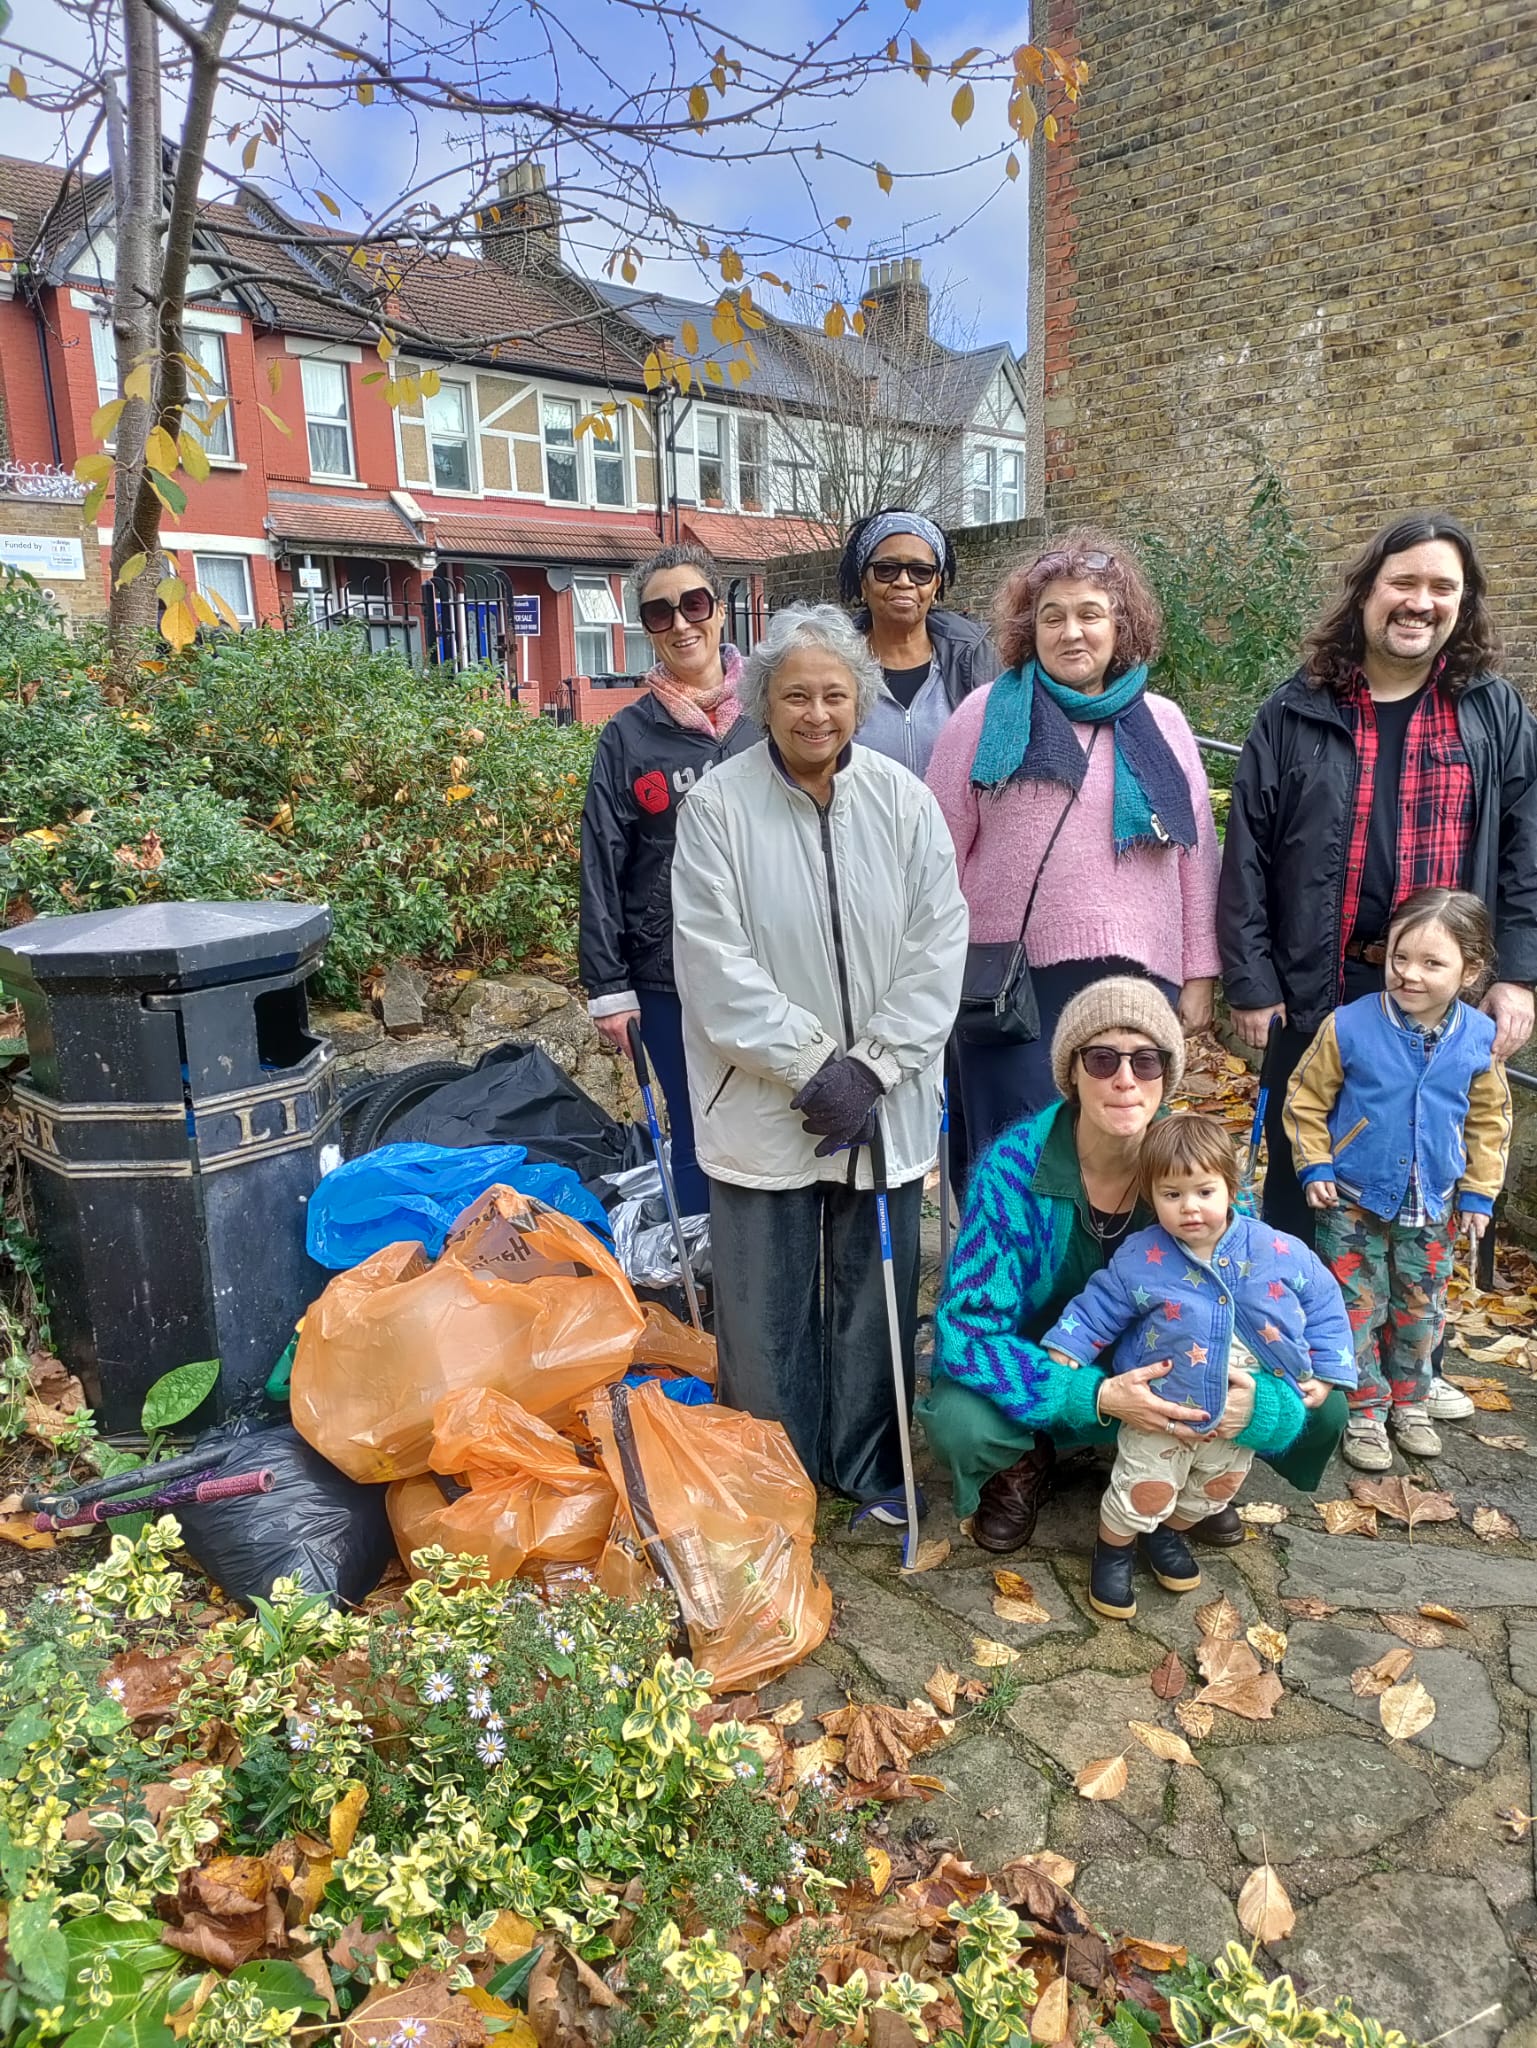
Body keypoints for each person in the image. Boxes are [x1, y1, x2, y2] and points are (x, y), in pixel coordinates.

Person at [1219, 511, 1537, 1425]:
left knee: (1421, 1175)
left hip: (1439, 992)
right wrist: (1251, 978)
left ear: (1461, 605)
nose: (1420, 602)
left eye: (1442, 588)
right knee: (1300, 1165)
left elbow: (1523, 848)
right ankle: (1296, 1366)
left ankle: (1408, 1363)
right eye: (1404, 582)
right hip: (1319, 985)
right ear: (1366, 590)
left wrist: (1513, 973)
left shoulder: (1491, 709)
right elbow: (1245, 849)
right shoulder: (1295, 707)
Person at [671, 603, 966, 1516]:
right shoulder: (718, 805)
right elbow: (713, 963)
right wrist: (813, 1065)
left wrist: (872, 1066)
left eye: (835, 695)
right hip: (765, 1103)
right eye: (795, 694)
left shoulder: (903, 800)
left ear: (861, 701)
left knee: (872, 1302)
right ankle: (773, 1481)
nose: (815, 714)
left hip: (882, 1099)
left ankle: (868, 1462)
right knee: (765, 1308)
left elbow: (937, 942)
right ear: (762, 701)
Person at [918, 978, 1349, 1555]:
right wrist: (1091, 1396)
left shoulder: (1197, 1162)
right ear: (1071, 1072)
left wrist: (1260, 1400)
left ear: (1166, 1076)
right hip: (1051, 1362)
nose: (1125, 1079)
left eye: (1146, 1061)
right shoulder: (1012, 1169)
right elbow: (964, 1332)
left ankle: (1194, 1475)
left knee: (1324, 1405)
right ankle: (1028, 1457)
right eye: (1102, 1059)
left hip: (1172, 1369)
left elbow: (1260, 1297)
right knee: (958, 1421)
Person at [926, 530, 1222, 1184]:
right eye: (1052, 617)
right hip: (1010, 983)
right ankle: (1006, 1280)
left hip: (1138, 979)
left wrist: (1199, 972)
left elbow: (1195, 858)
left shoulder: (1164, 722)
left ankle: (1106, 1286)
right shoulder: (982, 716)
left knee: (1120, 1152)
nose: (1071, 633)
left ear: (1121, 626)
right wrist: (929, 963)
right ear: (1028, 629)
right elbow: (932, 850)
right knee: (1015, 1156)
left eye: (1090, 614)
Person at [1040, 1112, 1354, 1617]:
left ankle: (1166, 1535)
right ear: (1151, 1197)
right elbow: (1099, 1303)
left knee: (1213, 1487)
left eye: (1204, 1192)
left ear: (1230, 1188)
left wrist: (1327, 1368)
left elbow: (1323, 1301)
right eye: (1171, 1195)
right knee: (1145, 1486)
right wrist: (1069, 1347)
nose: (1189, 1208)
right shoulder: (1142, 1255)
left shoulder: (1278, 1249)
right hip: (1161, 1407)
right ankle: (1114, 1549)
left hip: (1238, 1412)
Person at [1284, 887, 1512, 1471]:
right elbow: (1306, 1098)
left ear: (1472, 970)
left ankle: (1409, 1401)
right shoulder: (1349, 1026)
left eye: (1433, 963)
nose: (1410, 974)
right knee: (1354, 1307)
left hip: (1433, 1206)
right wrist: (1316, 1163)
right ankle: (1362, 1407)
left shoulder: (1478, 1040)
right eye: (1399, 958)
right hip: (1352, 1202)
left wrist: (1479, 1192)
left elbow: (1489, 1119)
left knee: (1421, 1309)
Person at [578, 542, 757, 1216]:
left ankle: (772, 1268)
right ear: (645, 627)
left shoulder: (772, 716)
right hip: (665, 973)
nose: (681, 623)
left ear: (720, 609)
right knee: (693, 1130)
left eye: (694, 603)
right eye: (660, 612)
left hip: (767, 961)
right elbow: (602, 859)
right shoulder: (628, 736)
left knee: (772, 1122)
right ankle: (707, 1288)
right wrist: (608, 987)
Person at [839, 508, 999, 777]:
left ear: (936, 585)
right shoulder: (834, 661)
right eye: (886, 569)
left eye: (920, 572)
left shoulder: (975, 660)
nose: (904, 581)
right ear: (863, 583)